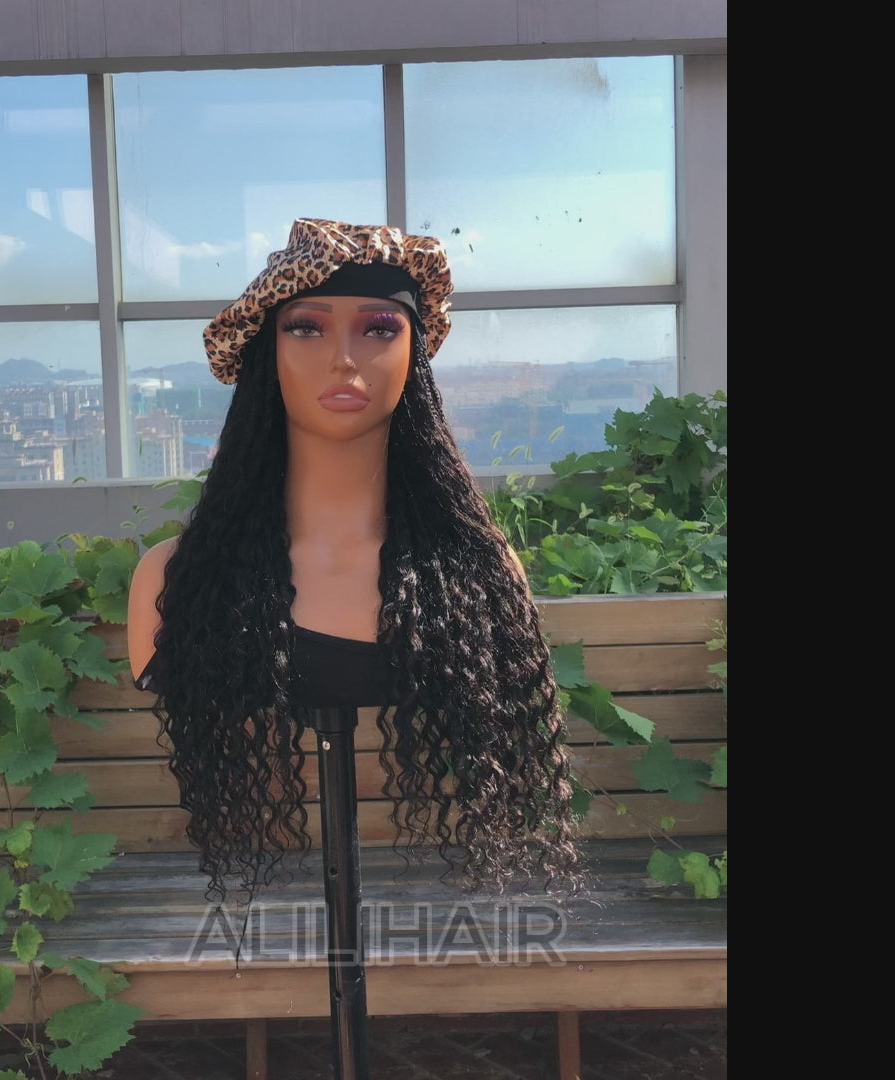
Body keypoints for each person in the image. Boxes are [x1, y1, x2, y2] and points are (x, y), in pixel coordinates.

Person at [127, 218, 580, 907]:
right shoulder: (172, 582)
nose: (344, 358)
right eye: (306, 328)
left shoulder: (478, 576)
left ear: (414, 353)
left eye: (379, 328)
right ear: (265, 353)